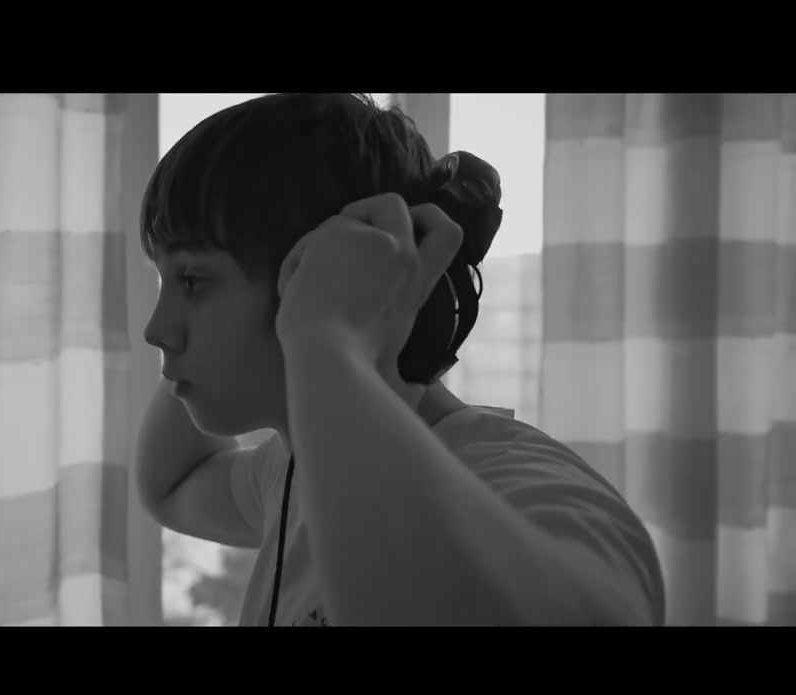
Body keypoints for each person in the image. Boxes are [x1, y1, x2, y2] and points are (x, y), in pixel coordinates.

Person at [133, 93, 665, 626]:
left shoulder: (528, 486)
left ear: (321, 275)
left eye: (192, 280)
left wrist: (327, 334)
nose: (156, 331)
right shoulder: (292, 472)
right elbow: (172, 485)